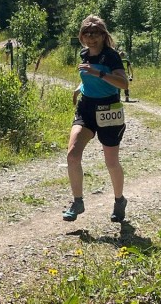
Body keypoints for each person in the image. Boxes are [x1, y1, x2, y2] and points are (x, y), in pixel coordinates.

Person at [63, 15, 129, 223]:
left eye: (95, 34)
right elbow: (87, 78)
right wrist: (79, 88)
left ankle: (119, 200)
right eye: (86, 34)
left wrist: (98, 74)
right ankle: (77, 201)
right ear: (81, 36)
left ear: (103, 35)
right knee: (72, 155)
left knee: (111, 162)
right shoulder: (84, 54)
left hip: (109, 109)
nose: (90, 38)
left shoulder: (111, 57)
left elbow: (123, 84)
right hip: (87, 109)